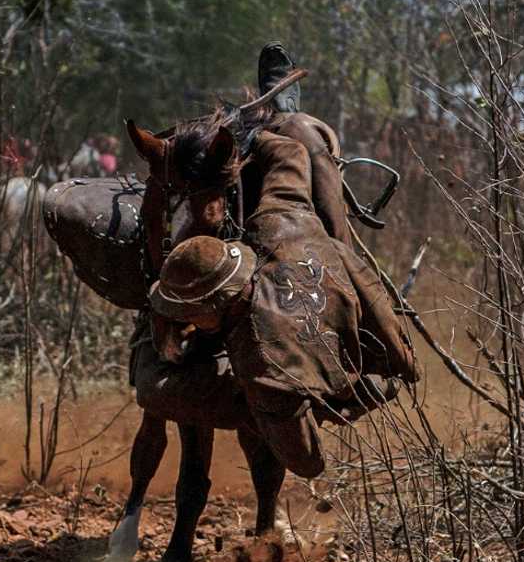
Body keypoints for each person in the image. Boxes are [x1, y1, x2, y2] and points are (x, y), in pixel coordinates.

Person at [146, 126, 418, 477]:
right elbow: (291, 152)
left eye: (191, 314)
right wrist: (253, 134)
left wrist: (254, 410)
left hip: (332, 386)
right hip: (386, 349)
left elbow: (308, 464)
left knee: (158, 391)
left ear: (212, 309)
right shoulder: (281, 220)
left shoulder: (260, 366)